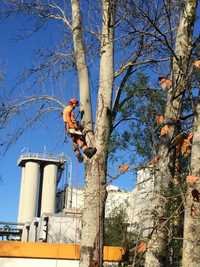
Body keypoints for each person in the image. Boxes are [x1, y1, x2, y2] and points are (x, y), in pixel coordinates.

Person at [63, 98, 97, 162]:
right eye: (76, 104)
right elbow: (67, 118)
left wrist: (77, 124)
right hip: (71, 127)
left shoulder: (69, 109)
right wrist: (73, 126)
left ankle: (81, 154)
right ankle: (87, 152)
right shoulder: (68, 108)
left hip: (70, 127)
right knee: (79, 139)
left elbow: (70, 118)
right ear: (73, 103)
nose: (76, 106)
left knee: (77, 140)